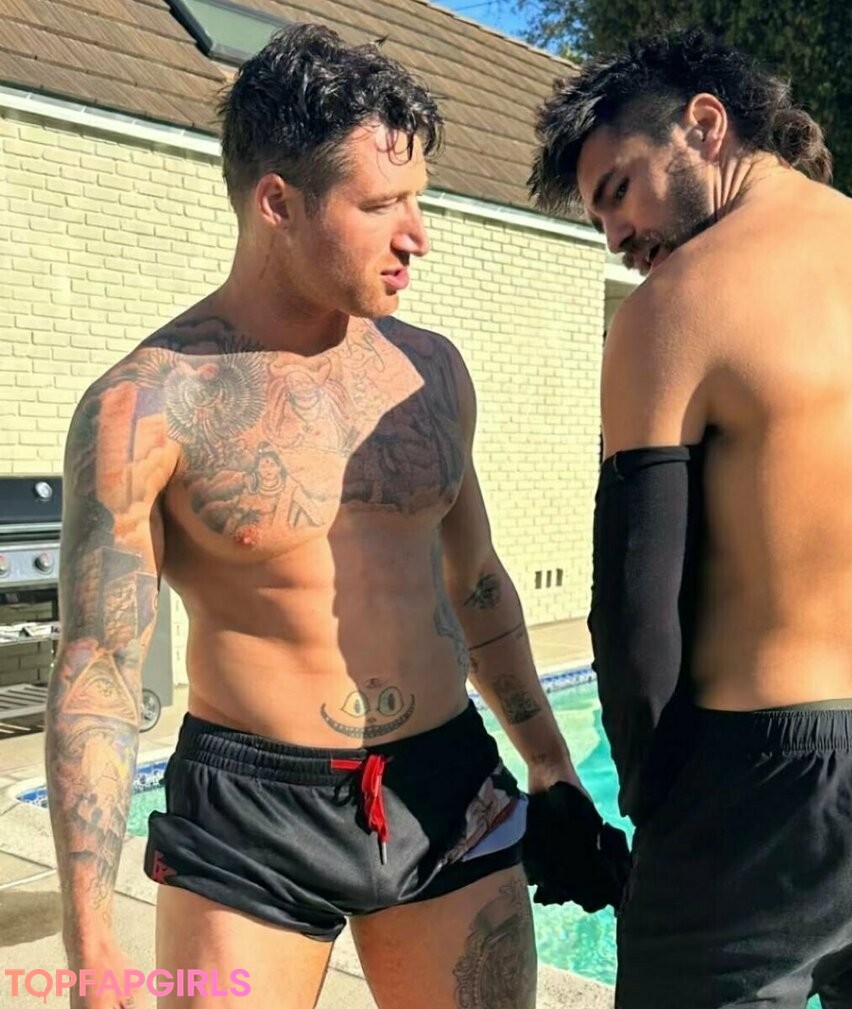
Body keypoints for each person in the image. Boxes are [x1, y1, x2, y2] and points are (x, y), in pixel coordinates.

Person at [45, 24, 599, 1009]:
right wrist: (90, 939)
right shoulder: (148, 406)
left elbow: (474, 580)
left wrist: (553, 768)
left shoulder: (428, 374)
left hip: (444, 789)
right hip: (249, 817)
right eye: (381, 205)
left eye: (417, 200)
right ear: (278, 204)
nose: (417, 234)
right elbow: (100, 664)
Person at [529, 26, 852, 1009]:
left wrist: (658, 808)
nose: (617, 237)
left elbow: (634, 615)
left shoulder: (678, 305)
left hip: (770, 777)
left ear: (704, 125)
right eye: (599, 218)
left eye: (619, 191)